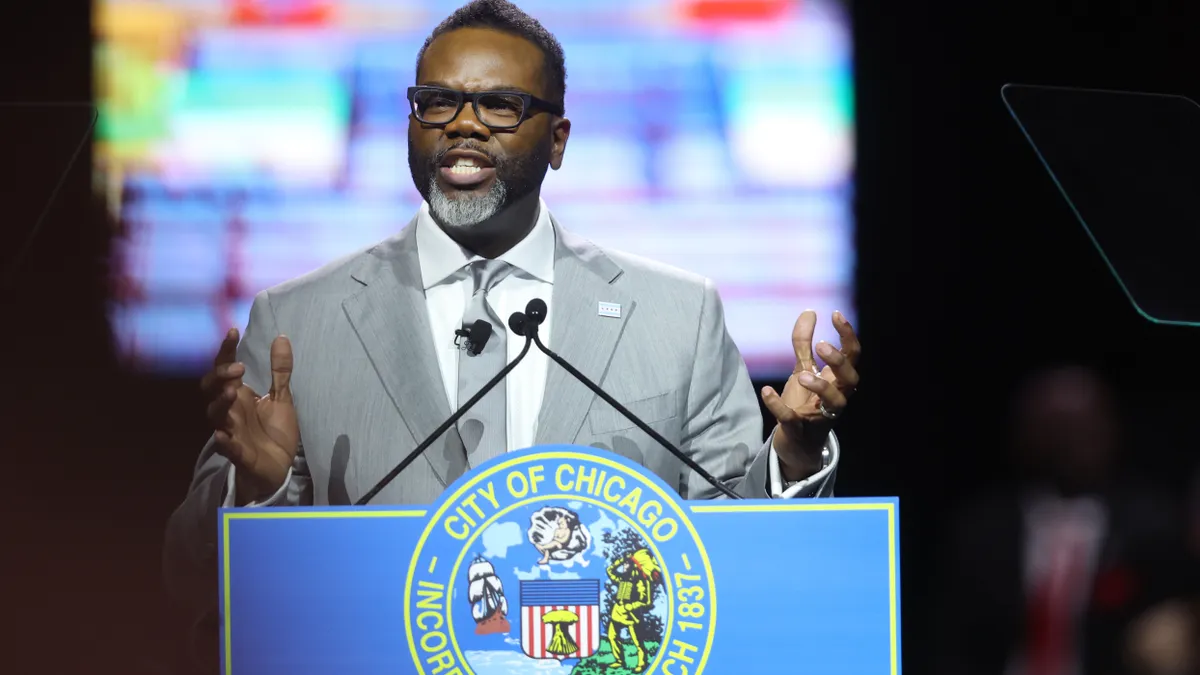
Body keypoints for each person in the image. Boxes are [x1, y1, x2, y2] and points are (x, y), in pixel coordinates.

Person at [163, 0, 862, 623]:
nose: (463, 125)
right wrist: (255, 492)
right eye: (437, 102)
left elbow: (740, 558)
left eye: (500, 106)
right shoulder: (297, 324)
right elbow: (188, 582)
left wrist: (795, 453)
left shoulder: (678, 316)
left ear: (557, 139)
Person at [933, 365, 1197, 675]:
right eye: (1060, 426)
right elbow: (947, 640)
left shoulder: (1152, 526)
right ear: (1025, 434)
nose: (1080, 440)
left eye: (1091, 423)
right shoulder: (980, 529)